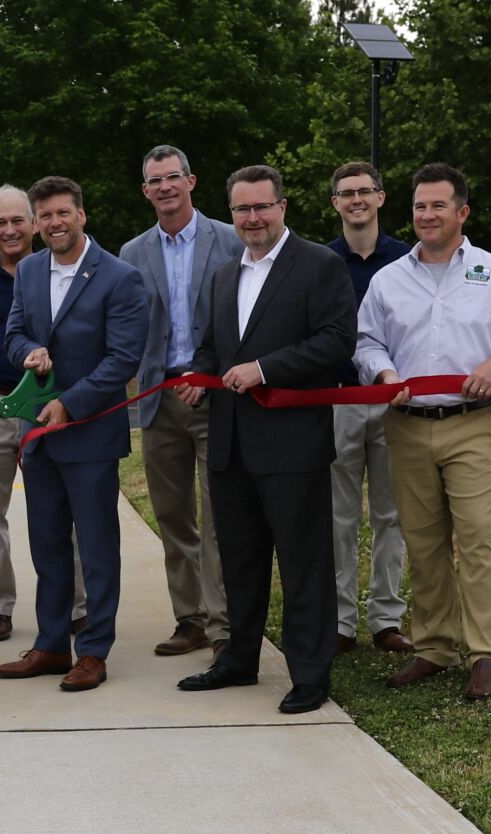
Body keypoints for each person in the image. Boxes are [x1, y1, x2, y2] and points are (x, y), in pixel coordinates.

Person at [355, 163, 491, 701]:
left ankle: (488, 654)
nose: (427, 215)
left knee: (479, 540)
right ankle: (435, 646)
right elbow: (366, 342)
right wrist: (384, 372)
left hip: (473, 426)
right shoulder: (388, 279)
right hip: (407, 427)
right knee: (423, 542)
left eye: (438, 205)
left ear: (462, 212)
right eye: (419, 206)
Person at [174, 165, 357, 714]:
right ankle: (239, 659)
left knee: (304, 563)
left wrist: (265, 369)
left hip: (292, 443)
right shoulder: (225, 275)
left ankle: (309, 674)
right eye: (241, 210)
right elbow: (212, 346)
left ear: (282, 207)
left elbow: (335, 342)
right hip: (230, 444)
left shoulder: (320, 265)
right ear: (230, 216)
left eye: (261, 207)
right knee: (240, 561)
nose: (251, 219)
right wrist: (197, 377)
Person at [0, 175, 149, 692]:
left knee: (98, 547)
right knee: (47, 545)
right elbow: (13, 332)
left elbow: (123, 358)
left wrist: (70, 402)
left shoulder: (120, 277)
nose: (55, 223)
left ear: (81, 215)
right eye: (46, 216)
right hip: (39, 435)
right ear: (36, 225)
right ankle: (51, 644)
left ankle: (94, 651)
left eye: (64, 213)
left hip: (90, 432)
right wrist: (28, 352)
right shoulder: (30, 271)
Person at [0, 185, 87, 642]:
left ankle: (78, 605)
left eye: (18, 220)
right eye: (0, 223)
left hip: (48, 406)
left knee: (60, 508)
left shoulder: (56, 272)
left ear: (34, 223)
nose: (10, 230)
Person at [119, 145, 239, 660]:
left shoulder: (231, 241)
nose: (165, 187)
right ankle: (188, 618)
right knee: (172, 515)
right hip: (159, 398)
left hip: (216, 396)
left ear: (191, 182)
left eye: (174, 177)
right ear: (145, 191)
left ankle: (222, 623)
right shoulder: (132, 253)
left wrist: (209, 373)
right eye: (155, 181)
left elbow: (244, 317)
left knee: (220, 513)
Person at [325, 161, 414, 658]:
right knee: (337, 517)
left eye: (365, 191)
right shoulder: (318, 261)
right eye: (346, 193)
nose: (356, 199)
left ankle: (386, 617)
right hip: (337, 398)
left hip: (393, 399)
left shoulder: (408, 258)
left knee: (390, 513)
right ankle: (339, 621)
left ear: (381, 197)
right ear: (335, 203)